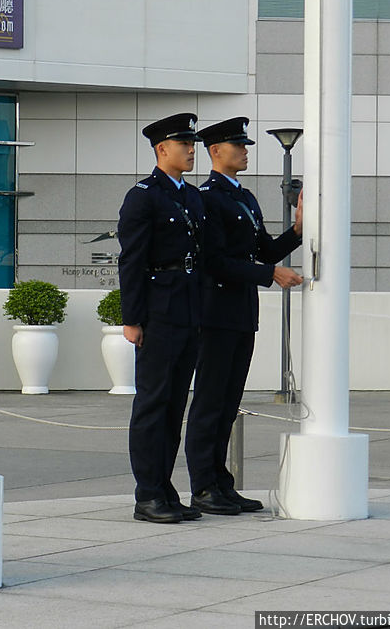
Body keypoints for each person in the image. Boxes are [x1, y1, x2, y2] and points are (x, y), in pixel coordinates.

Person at [184, 116, 303, 515]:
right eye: (239, 145)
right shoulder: (206, 197)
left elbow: (265, 250)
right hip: (215, 312)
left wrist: (298, 232)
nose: (246, 151)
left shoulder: (244, 197)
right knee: (210, 402)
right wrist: (269, 274)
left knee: (229, 400)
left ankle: (221, 483)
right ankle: (203, 486)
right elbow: (214, 262)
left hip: (240, 312)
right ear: (216, 151)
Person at [117, 112, 206, 524]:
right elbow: (131, 261)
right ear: (161, 150)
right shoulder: (143, 195)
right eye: (183, 144)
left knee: (174, 405)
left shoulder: (190, 196)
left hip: (188, 308)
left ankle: (166, 489)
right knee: (152, 403)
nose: (191, 150)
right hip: (157, 310)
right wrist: (132, 319)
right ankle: (147, 494)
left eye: (192, 144)